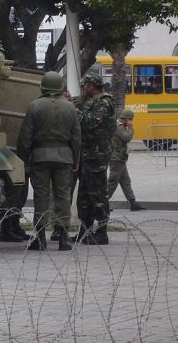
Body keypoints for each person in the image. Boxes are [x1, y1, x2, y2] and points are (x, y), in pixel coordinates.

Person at [15, 71, 81, 251]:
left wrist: (23, 159)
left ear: (43, 87)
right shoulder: (70, 107)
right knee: (63, 196)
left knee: (41, 196)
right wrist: (75, 160)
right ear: (60, 88)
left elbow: (25, 136)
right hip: (64, 157)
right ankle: (63, 237)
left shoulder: (34, 106)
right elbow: (76, 137)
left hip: (40, 156)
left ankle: (41, 237)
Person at [73, 72, 116, 245]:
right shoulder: (90, 101)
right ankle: (85, 230)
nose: (83, 88)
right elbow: (79, 103)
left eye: (85, 85)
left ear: (91, 86)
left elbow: (91, 122)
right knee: (84, 196)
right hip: (87, 154)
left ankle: (102, 232)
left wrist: (75, 111)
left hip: (97, 155)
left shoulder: (104, 102)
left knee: (98, 194)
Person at [107, 108, 146, 211]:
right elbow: (127, 138)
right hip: (116, 158)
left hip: (120, 158)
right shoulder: (119, 127)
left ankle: (133, 202)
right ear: (127, 119)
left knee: (125, 181)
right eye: (130, 120)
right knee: (113, 182)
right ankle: (103, 203)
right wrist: (131, 128)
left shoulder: (120, 126)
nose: (131, 122)